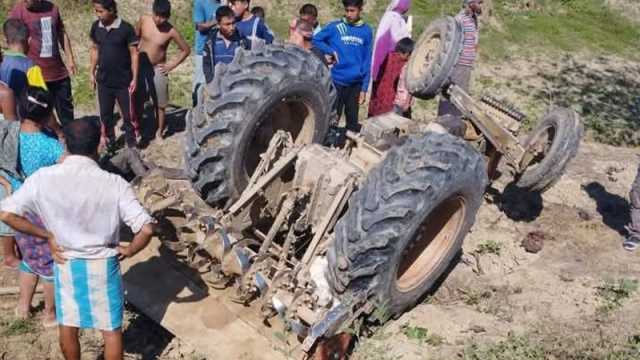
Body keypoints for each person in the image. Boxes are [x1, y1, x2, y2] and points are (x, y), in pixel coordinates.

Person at [0, 117, 154, 360]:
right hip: (104, 265)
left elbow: (7, 214)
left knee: (69, 326)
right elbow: (145, 229)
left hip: (66, 263)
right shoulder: (114, 183)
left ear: (65, 144)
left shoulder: (43, 178)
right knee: (111, 331)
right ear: (98, 145)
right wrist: (131, 250)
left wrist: (47, 234)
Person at [4, 86, 65, 327]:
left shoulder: (10, 133)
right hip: (41, 212)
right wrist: (59, 133)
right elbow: (69, 167)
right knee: (49, 265)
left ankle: (23, 307)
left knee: (29, 259)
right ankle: (50, 314)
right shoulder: (49, 145)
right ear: (48, 114)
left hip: (17, 208)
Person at [9, 0, 77, 126]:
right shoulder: (18, 11)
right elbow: (12, 39)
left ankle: (70, 141)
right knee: (41, 117)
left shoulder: (53, 9)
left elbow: (61, 33)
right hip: (35, 75)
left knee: (67, 114)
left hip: (58, 73)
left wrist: (70, 58)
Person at [313, 0, 373, 132]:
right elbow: (316, 39)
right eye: (347, 10)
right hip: (336, 82)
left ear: (360, 9)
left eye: (352, 11)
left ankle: (349, 147)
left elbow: (367, 60)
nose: (349, 14)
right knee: (332, 118)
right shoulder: (336, 27)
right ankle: (328, 144)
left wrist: (364, 88)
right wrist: (330, 51)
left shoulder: (366, 31)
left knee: (352, 120)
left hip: (355, 84)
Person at [136, 0, 190, 140]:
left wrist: (170, 66)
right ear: (152, 12)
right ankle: (139, 126)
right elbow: (135, 39)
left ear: (168, 16)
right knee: (139, 98)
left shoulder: (171, 31)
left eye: (163, 17)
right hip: (141, 67)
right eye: (157, 15)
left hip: (158, 69)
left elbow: (185, 50)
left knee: (160, 104)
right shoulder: (144, 20)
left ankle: (159, 131)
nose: (159, 20)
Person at [90, 0, 140, 150]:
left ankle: (131, 144)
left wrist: (135, 78)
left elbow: (134, 54)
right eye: (96, 11)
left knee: (128, 116)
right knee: (105, 115)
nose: (97, 15)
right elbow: (94, 50)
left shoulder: (126, 29)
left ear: (111, 10)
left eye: (100, 11)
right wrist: (91, 72)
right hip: (104, 81)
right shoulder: (96, 27)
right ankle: (110, 141)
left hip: (123, 81)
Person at [437, 0, 482, 120]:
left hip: (466, 65)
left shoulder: (473, 20)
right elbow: (451, 41)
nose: (480, 5)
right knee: (454, 96)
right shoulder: (460, 19)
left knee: (459, 96)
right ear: (470, 3)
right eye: (478, 2)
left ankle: (451, 123)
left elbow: (474, 43)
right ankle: (446, 123)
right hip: (458, 63)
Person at [0, 19, 48, 98]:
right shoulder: (32, 67)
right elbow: (42, 100)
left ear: (6, 41)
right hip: (21, 109)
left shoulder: (1, 60)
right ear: (29, 40)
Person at [202, 6, 250, 84]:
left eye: (233, 23)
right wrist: (211, 82)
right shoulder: (210, 43)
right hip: (217, 86)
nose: (231, 27)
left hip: (237, 86)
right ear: (218, 24)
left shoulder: (242, 42)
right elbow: (207, 66)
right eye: (227, 24)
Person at [368, 37, 414, 117]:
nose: (398, 56)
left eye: (399, 54)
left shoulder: (410, 68)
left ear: (407, 54)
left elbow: (410, 89)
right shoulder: (404, 66)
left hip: (402, 103)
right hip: (398, 102)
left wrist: (407, 103)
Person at [0, 74, 18, 269]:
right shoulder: (5, 93)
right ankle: (9, 254)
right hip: (3, 155)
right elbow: (11, 133)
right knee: (8, 199)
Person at [370, 0, 410, 87]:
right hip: (388, 61)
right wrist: (376, 69)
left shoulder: (399, 19)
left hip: (395, 61)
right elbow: (381, 42)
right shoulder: (392, 17)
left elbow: (381, 42)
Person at [192, 0, 220, 106]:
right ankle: (196, 111)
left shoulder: (224, 3)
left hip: (219, 51)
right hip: (203, 51)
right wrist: (217, 20)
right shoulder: (200, 2)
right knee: (200, 85)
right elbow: (200, 26)